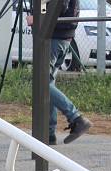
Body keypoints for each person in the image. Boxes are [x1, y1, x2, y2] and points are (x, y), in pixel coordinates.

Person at [27, 0, 93, 145]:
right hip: (63, 37)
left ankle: (76, 118)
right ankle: (48, 133)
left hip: (53, 37)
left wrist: (37, 18)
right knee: (48, 83)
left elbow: (58, 5)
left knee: (41, 82)